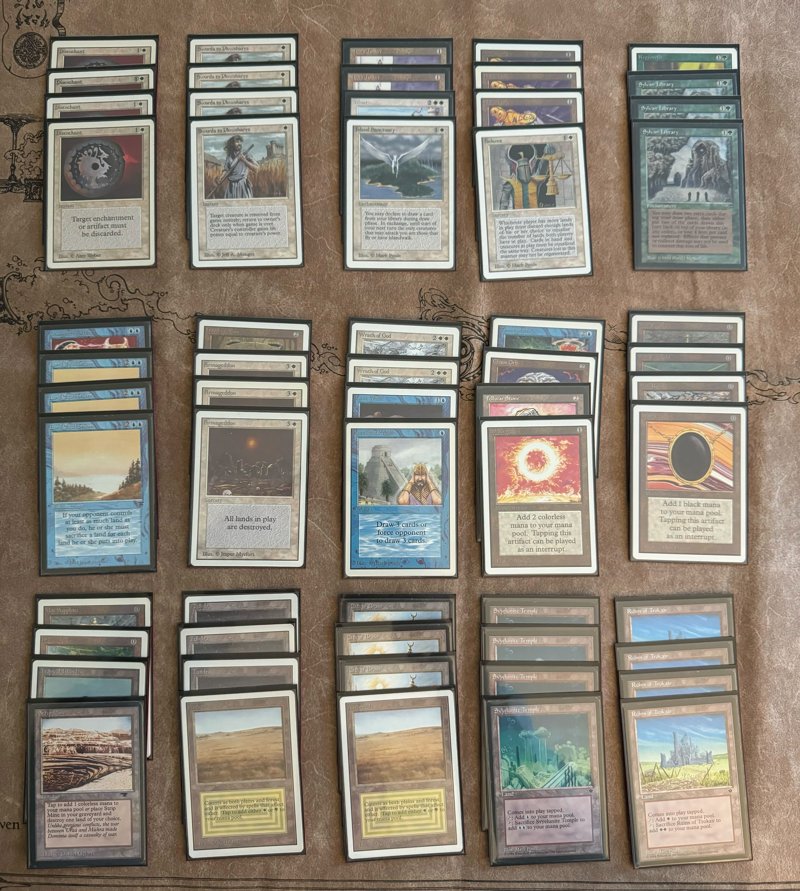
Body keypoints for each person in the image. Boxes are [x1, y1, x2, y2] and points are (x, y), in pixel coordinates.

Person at [220, 135, 258, 199]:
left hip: (242, 185)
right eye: (237, 142)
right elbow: (226, 170)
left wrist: (244, 160)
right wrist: (221, 177)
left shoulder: (246, 154)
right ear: (232, 144)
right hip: (231, 187)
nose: (239, 143)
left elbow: (256, 169)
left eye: (240, 142)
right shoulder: (229, 156)